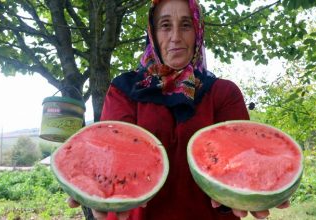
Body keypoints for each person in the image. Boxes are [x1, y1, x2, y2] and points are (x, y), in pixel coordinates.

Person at [67, 0, 289, 219]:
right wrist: (90, 183)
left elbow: (239, 164)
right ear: (152, 33)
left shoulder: (223, 93)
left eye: (186, 25)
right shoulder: (124, 90)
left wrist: (242, 195)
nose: (175, 37)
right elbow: (111, 158)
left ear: (198, 32)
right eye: (165, 25)